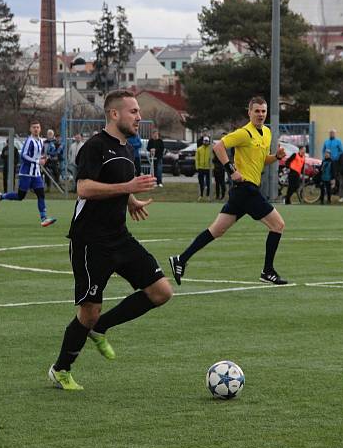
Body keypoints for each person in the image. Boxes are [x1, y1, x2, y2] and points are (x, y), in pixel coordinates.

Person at [48, 89, 173, 391]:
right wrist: (128, 186)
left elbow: (116, 184)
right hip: (90, 241)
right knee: (88, 311)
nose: (139, 117)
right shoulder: (94, 146)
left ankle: (102, 328)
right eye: (133, 112)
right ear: (115, 114)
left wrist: (130, 199)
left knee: (161, 292)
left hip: (119, 236)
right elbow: (85, 188)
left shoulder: (127, 147)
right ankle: (60, 369)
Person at [168, 96, 288, 285]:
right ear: (249, 112)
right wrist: (231, 170)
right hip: (246, 189)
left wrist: (276, 157)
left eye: (263, 111)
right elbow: (218, 146)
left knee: (216, 230)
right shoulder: (244, 133)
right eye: (257, 111)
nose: (261, 114)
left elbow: (262, 159)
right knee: (278, 225)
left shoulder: (266, 132)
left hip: (244, 191)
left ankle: (180, 260)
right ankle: (268, 271)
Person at [0, 119, 57, 227]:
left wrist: (43, 158)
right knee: (20, 196)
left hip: (36, 174)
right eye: (34, 127)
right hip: (26, 173)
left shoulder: (41, 141)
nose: (36, 129)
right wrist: (37, 161)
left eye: (38, 127)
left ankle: (44, 218)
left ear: (40, 129)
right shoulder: (29, 140)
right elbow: (24, 155)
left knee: (41, 194)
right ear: (30, 129)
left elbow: (37, 155)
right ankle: (1, 197)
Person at [195, 135, 212, 200]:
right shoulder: (199, 149)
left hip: (208, 168)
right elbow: (197, 158)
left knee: (208, 183)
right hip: (201, 168)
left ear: (208, 141)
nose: (206, 142)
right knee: (201, 182)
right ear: (203, 141)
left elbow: (212, 158)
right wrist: (197, 166)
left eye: (207, 141)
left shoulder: (211, 149)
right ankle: (201, 195)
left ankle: (208, 196)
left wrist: (212, 167)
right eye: (205, 141)